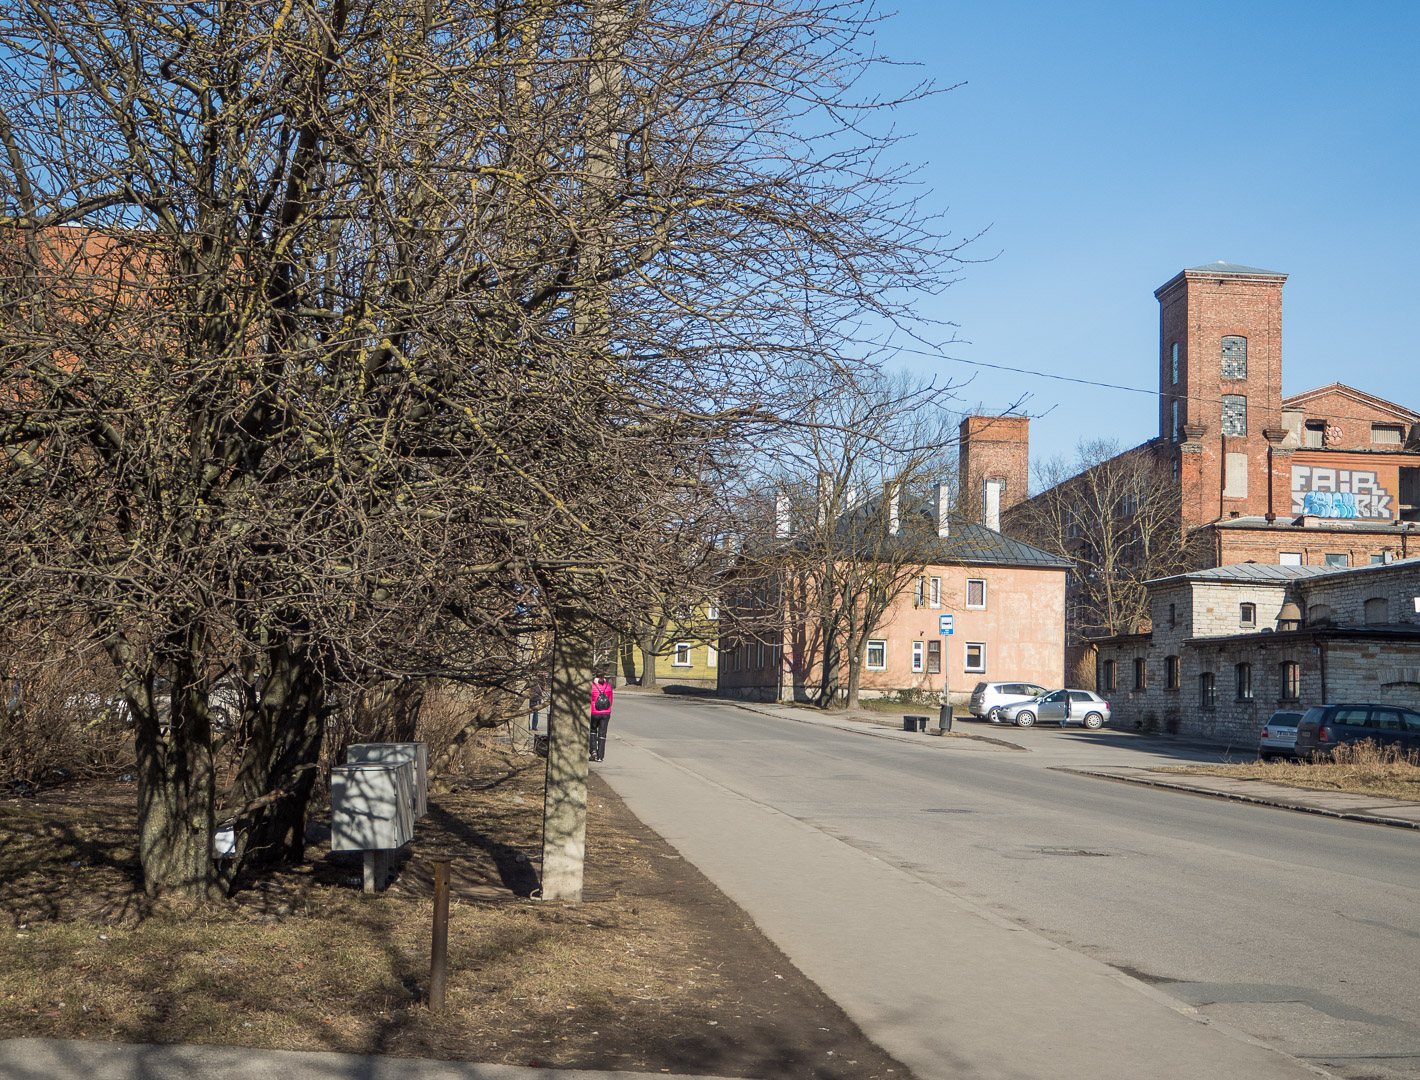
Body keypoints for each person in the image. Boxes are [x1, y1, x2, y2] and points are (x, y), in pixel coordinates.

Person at [589, 675, 614, 761]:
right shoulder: (608, 686)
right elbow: (610, 701)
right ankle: (600, 756)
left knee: (593, 731)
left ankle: (593, 750)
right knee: (602, 734)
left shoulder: (592, 686)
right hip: (606, 713)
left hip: (594, 712)